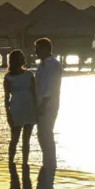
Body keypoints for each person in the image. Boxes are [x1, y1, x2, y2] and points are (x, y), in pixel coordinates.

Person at [3, 48, 37, 166]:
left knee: (17, 139)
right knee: (19, 140)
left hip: (21, 108)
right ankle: (18, 163)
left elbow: (7, 98)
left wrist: (8, 113)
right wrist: (8, 114)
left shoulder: (25, 75)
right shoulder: (25, 75)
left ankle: (18, 163)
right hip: (24, 107)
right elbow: (33, 93)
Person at [34, 37, 62, 168]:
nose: (35, 52)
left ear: (45, 49)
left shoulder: (54, 65)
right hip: (40, 104)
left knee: (47, 133)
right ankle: (47, 161)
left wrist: (43, 105)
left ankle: (50, 163)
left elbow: (51, 87)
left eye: (38, 49)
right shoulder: (42, 64)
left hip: (48, 105)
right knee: (41, 134)